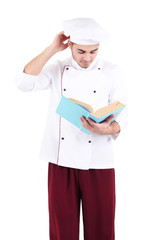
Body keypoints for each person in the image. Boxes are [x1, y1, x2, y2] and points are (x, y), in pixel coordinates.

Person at [15, 18, 127, 240]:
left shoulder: (113, 71)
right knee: (61, 231)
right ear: (70, 45)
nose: (87, 58)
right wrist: (52, 49)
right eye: (81, 51)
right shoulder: (58, 68)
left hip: (99, 160)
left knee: (102, 229)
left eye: (93, 52)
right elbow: (23, 82)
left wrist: (107, 129)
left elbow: (123, 114)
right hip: (61, 160)